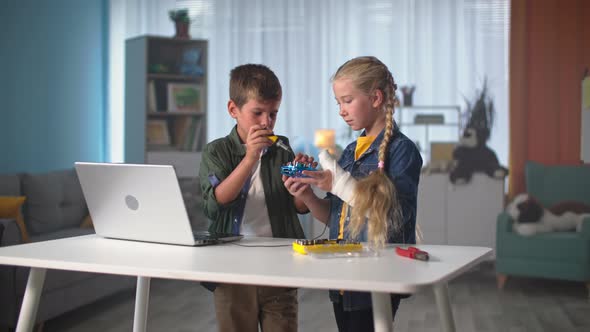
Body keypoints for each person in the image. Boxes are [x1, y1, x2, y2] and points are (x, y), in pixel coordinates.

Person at [285, 56, 423, 332]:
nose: (341, 111)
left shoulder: (402, 152)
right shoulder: (350, 152)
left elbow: (393, 218)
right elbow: (336, 217)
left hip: (377, 274)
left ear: (375, 98)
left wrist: (337, 184)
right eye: (338, 103)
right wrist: (311, 196)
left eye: (347, 100)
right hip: (343, 277)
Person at [199, 64, 309, 332]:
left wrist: (304, 183)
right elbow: (217, 202)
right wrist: (250, 158)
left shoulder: (282, 148)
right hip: (232, 268)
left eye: (273, 114)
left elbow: (299, 207)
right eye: (257, 113)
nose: (266, 123)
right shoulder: (217, 151)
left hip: (279, 264)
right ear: (233, 110)